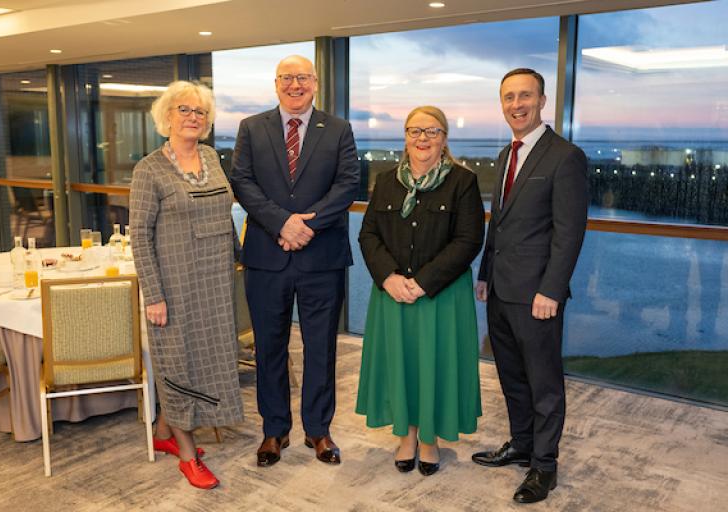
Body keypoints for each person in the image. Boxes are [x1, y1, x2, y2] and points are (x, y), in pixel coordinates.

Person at [230, 55, 359, 467]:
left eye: (302, 77)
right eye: (287, 78)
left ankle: (318, 431)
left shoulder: (338, 129)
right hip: (267, 256)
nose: (295, 84)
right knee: (270, 347)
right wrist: (281, 223)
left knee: (320, 348)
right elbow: (242, 181)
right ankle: (274, 430)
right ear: (276, 83)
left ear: (315, 82)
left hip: (322, 258)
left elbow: (348, 183)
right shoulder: (252, 128)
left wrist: (308, 226)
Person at [473, 68, 588, 503]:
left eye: (524, 96)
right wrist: (485, 273)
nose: (516, 105)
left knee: (544, 383)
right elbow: (498, 225)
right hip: (501, 290)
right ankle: (521, 444)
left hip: (538, 295)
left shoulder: (565, 156)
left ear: (542, 100)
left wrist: (552, 291)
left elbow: (569, 232)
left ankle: (544, 467)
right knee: (512, 376)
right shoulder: (507, 154)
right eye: (508, 97)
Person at [356, 106, 485, 476]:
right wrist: (389, 278)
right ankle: (407, 435)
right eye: (415, 131)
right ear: (405, 136)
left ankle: (430, 438)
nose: (422, 139)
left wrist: (423, 282)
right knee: (404, 365)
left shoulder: (463, 182)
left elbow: (468, 240)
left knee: (435, 363)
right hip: (393, 294)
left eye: (431, 132)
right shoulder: (385, 181)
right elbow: (368, 235)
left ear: (444, 138)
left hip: (440, 296)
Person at [130, 80, 243, 490]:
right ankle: (187, 454)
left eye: (200, 112)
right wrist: (154, 295)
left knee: (207, 359)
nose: (193, 117)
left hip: (214, 283)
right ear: (167, 117)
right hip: (173, 286)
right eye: (185, 110)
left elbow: (224, 214)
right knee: (176, 361)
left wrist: (240, 256)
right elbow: (139, 235)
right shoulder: (149, 169)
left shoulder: (212, 157)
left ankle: (163, 429)